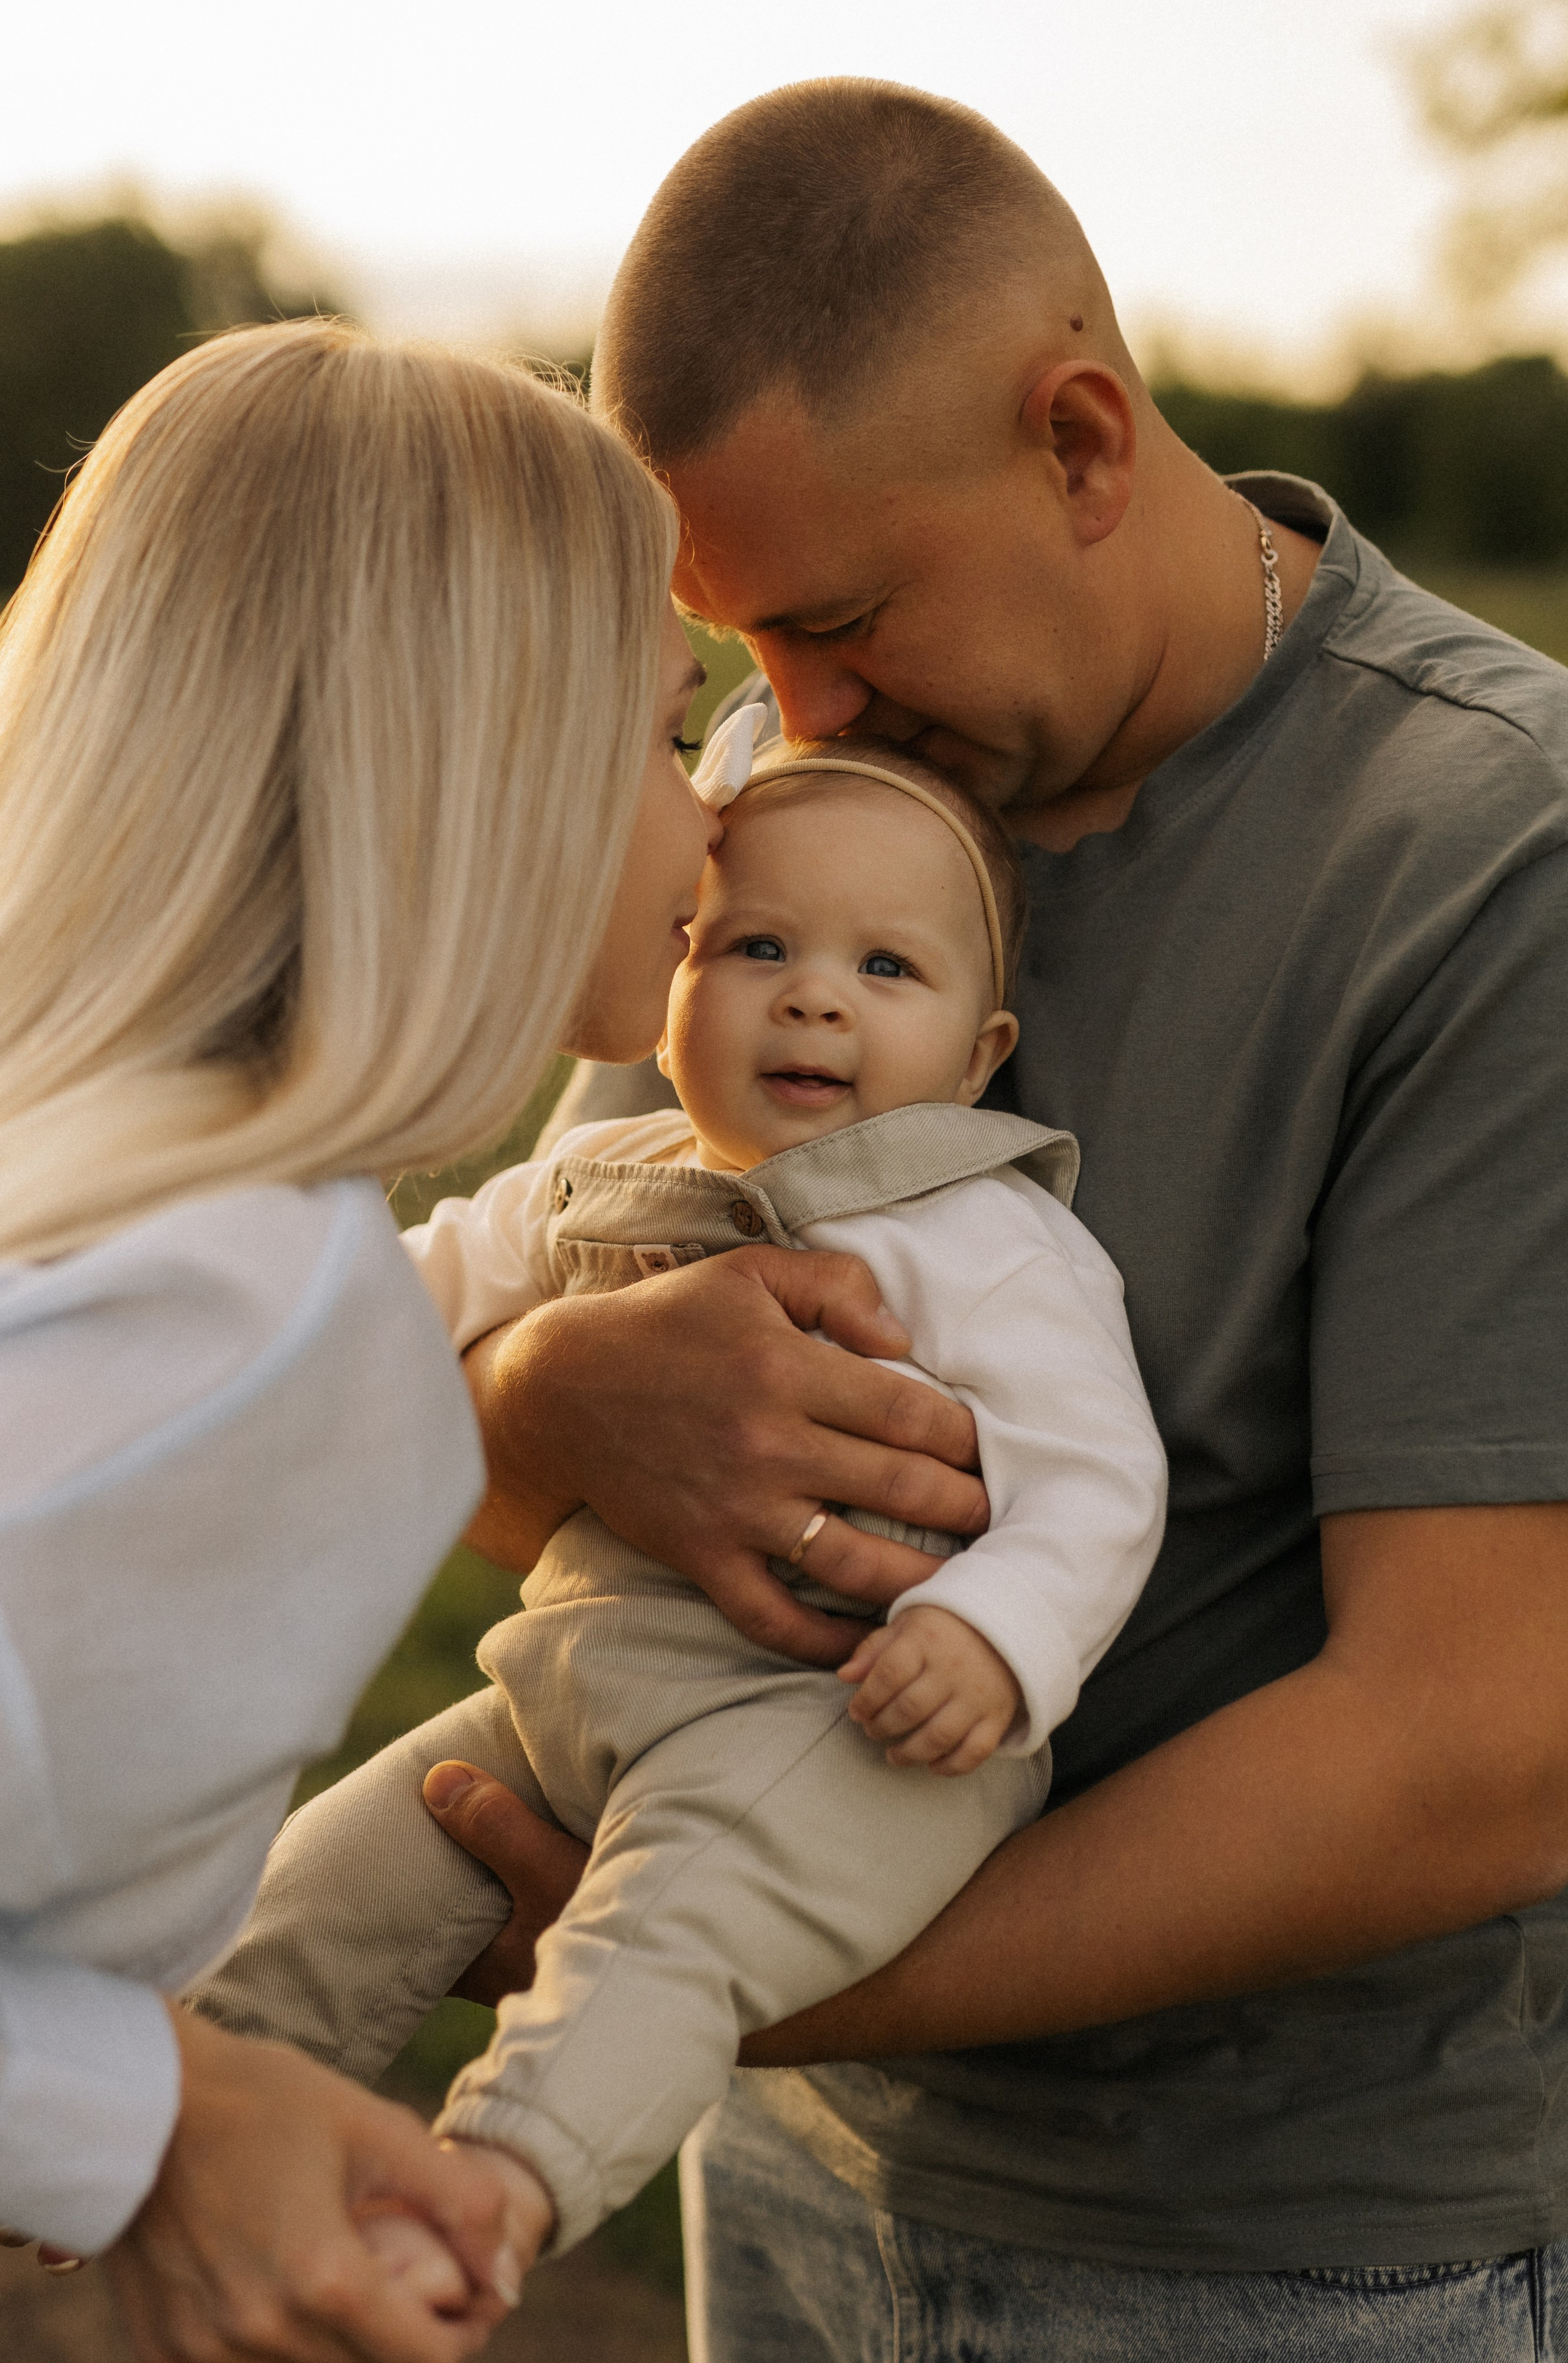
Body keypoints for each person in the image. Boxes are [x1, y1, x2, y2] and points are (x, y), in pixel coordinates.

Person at [416, 78, 1568, 2362]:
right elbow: (522, 1340)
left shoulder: (1488, 861)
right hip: (792, 2169)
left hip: (1297, 2257)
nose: (784, 727)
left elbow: (1481, 1743)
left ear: (1079, 443)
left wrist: (726, 1972)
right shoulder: (798, 779)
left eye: (841, 621)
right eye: (740, 647)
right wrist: (549, 1397)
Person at [190, 723, 1166, 2289]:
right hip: (568, 1692)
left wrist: (991, 1633)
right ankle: (172, 2098)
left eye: (884, 968)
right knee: (339, 1865)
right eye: (757, 945)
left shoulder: (982, 1239)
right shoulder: (599, 1177)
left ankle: (494, 2187)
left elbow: (1098, 1477)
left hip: (838, 1722)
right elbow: (401, 1299)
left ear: (980, 1051)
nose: (813, 996)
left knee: (664, 1931)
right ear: (673, 979)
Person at [0, 314, 725, 2361]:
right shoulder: (257, 1315)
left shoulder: (124, 1206)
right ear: (482, 774)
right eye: (667, 735)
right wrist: (167, 2126)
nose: (714, 821)